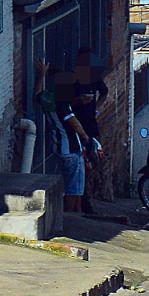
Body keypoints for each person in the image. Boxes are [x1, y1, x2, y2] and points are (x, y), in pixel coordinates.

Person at [34, 58, 87, 216]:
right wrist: (85, 136)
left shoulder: (48, 99)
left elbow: (37, 94)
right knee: (74, 187)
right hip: (71, 149)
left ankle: (75, 212)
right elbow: (73, 122)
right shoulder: (61, 103)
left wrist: (41, 75)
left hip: (59, 148)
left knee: (72, 184)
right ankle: (72, 216)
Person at [71, 48, 109, 208]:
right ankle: (79, 199)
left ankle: (86, 197)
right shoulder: (73, 79)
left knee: (91, 162)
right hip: (76, 125)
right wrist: (79, 101)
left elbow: (104, 92)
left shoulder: (94, 78)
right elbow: (66, 103)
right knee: (79, 163)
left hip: (90, 125)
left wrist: (96, 108)